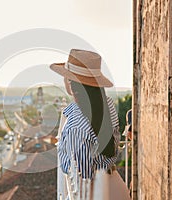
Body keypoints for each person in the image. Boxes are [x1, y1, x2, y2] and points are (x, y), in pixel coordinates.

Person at [50, 49, 130, 199]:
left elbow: (83, 179)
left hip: (95, 193)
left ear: (71, 84)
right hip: (116, 187)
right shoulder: (107, 103)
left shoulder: (76, 128)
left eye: (66, 77)